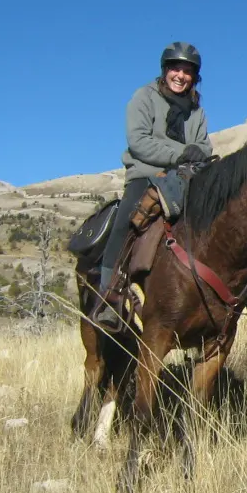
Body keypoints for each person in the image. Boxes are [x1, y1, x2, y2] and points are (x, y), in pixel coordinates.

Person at [92, 41, 213, 328]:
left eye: (187, 71)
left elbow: (204, 146)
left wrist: (196, 155)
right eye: (175, 69)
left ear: (194, 76)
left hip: (185, 179)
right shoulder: (143, 98)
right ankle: (109, 297)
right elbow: (139, 141)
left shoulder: (197, 111)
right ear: (165, 70)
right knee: (125, 222)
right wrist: (181, 153)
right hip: (145, 174)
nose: (180, 76)